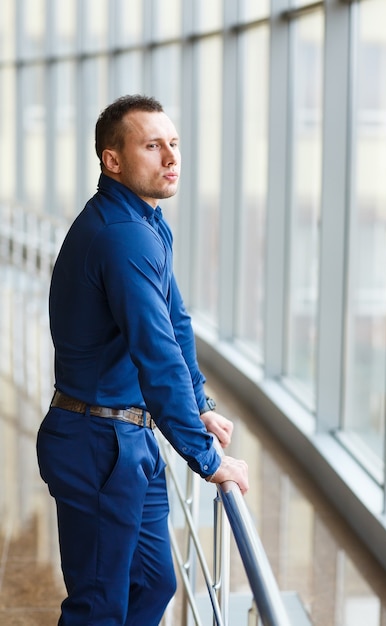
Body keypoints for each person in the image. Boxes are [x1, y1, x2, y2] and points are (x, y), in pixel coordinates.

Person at [36, 94, 249, 626]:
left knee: (154, 580)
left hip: (131, 436)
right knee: (98, 607)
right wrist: (206, 456)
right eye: (153, 146)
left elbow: (176, 322)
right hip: (98, 443)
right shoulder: (121, 237)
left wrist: (198, 404)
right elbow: (156, 355)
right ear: (113, 160)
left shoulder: (146, 223)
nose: (171, 157)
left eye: (174, 144)